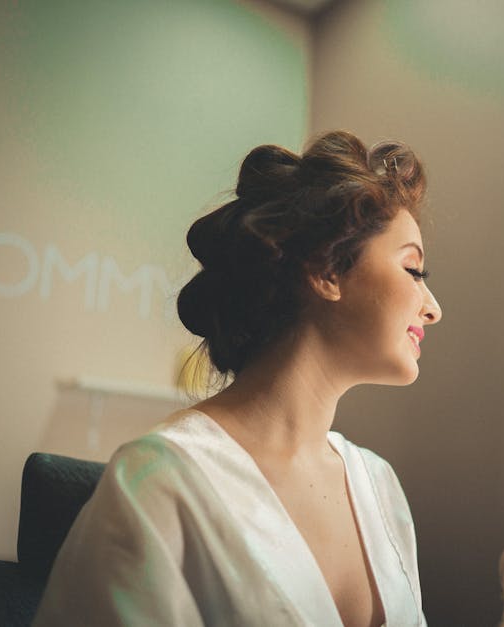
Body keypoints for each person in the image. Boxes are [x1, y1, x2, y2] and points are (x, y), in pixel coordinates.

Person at [32, 130, 442, 627]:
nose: (433, 308)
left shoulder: (380, 488)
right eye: (413, 270)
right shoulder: (163, 483)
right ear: (326, 270)